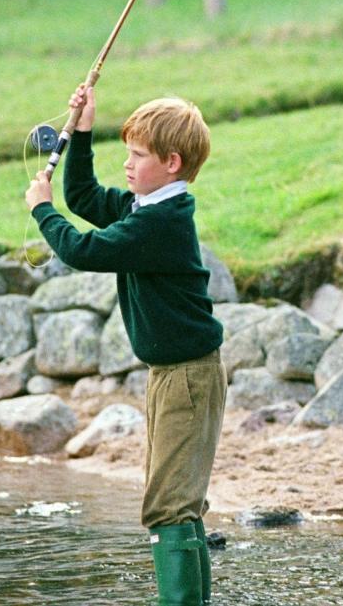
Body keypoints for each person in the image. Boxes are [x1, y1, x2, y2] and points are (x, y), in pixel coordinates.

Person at [25, 86, 226, 606]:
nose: (128, 164)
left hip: (188, 377)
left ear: (172, 162)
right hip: (171, 374)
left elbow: (83, 248)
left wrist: (42, 211)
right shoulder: (147, 207)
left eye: (138, 155)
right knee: (179, 503)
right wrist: (84, 130)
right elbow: (88, 199)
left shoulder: (159, 223)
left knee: (168, 506)